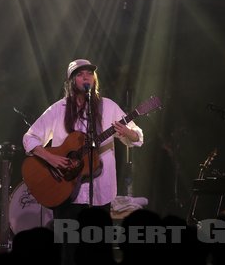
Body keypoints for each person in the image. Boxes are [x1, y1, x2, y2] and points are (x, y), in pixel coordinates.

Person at [22, 58, 144, 263]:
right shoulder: (58, 109)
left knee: (99, 250)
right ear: (71, 81)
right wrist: (51, 157)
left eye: (89, 72)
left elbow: (137, 135)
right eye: (80, 74)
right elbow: (29, 138)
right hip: (66, 191)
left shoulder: (108, 106)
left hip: (101, 192)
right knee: (68, 251)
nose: (86, 76)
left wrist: (128, 133)